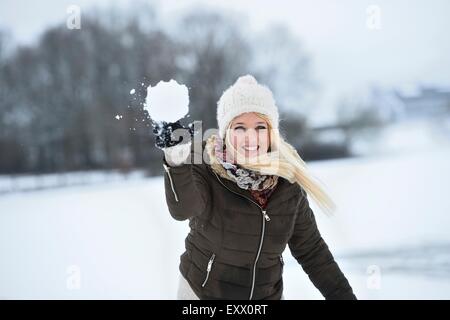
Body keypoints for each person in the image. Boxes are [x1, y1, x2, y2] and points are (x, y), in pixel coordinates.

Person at [152, 74, 356, 300]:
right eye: (239, 127)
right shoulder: (205, 165)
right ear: (226, 132)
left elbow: (312, 252)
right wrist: (176, 157)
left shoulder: (287, 183)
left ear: (271, 133)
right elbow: (183, 209)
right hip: (203, 295)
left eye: (260, 127)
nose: (250, 137)